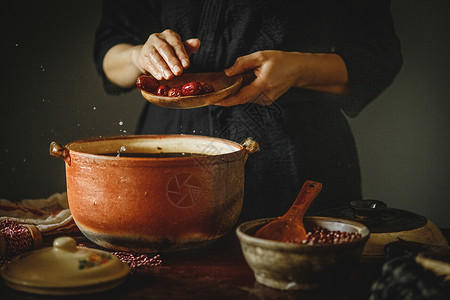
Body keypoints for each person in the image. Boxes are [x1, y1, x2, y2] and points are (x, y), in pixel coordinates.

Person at [94, 0, 402, 221]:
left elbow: (377, 57)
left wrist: (299, 69)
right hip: (169, 151)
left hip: (292, 155)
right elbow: (110, 52)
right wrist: (139, 56)